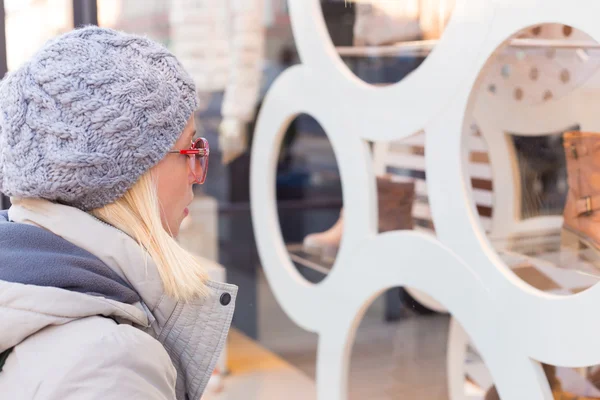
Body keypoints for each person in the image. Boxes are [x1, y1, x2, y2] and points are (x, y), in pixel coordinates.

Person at [0, 26, 237, 400]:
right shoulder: (109, 364)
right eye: (189, 150)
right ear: (129, 175)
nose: (196, 174)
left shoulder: (20, 282)